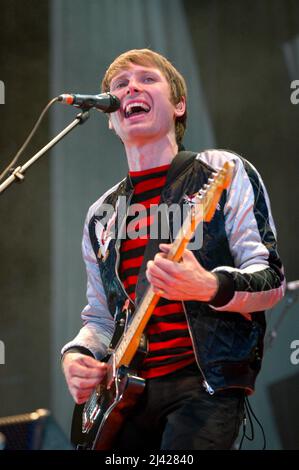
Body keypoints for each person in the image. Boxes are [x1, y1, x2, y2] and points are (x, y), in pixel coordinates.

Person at [61, 48, 285, 450]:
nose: (131, 87)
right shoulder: (102, 215)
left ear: (179, 105)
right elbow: (99, 316)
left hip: (203, 387)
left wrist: (209, 286)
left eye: (148, 79)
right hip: (126, 397)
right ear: (112, 118)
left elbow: (271, 280)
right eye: (119, 85)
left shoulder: (220, 170)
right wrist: (76, 355)